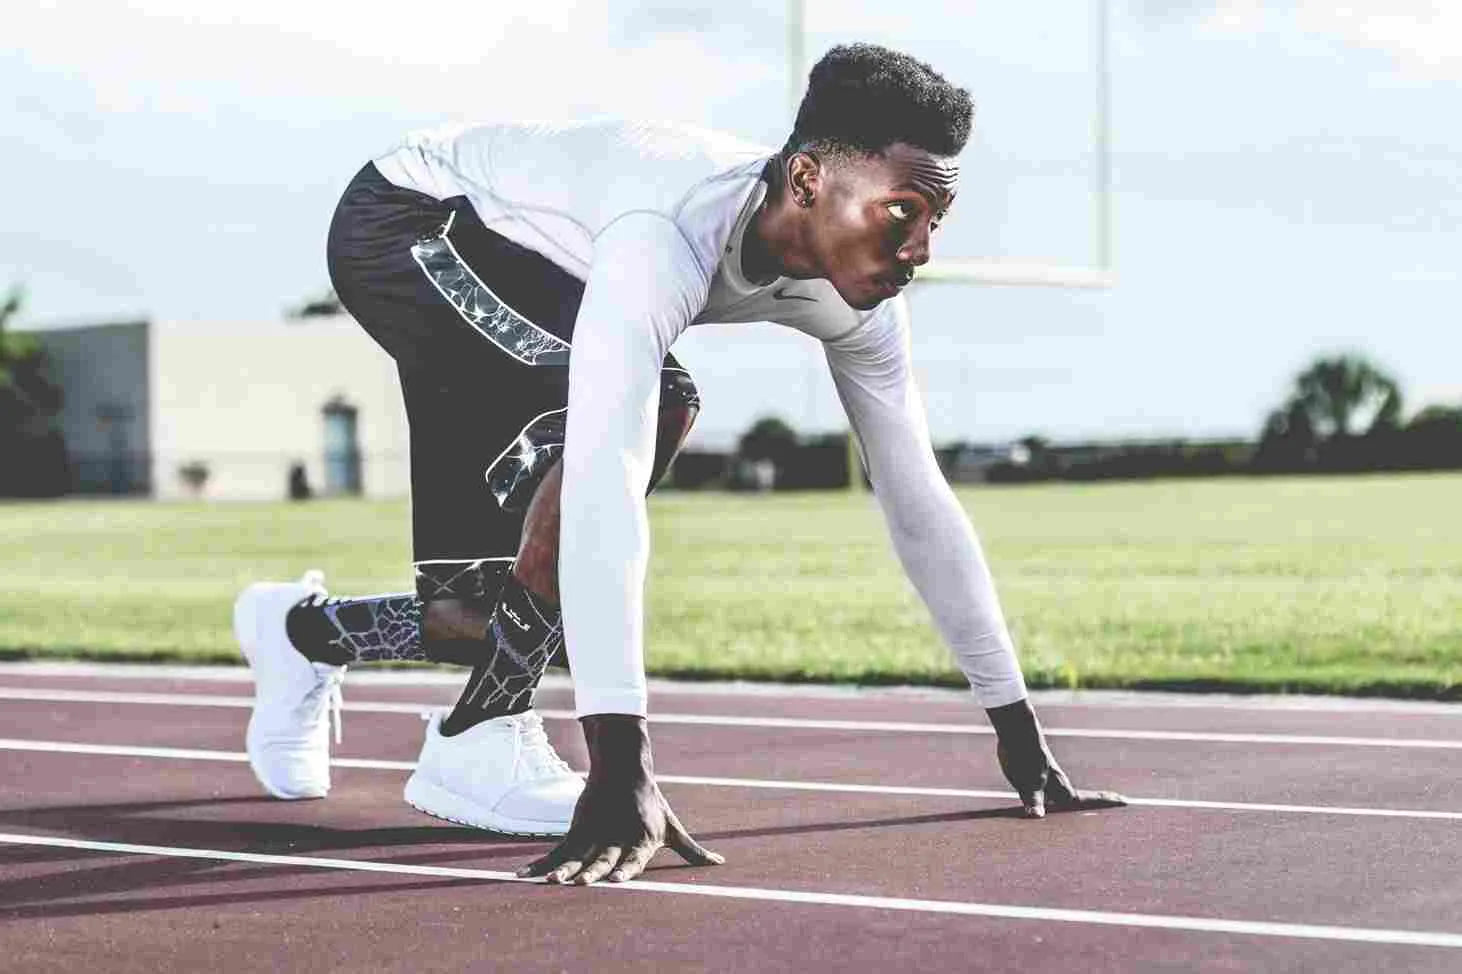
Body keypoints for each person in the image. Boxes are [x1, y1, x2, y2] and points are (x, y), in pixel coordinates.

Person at [232, 42, 1125, 888]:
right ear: (808, 179)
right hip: (409, 222)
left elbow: (917, 497)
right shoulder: (665, 235)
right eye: (903, 211)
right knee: (654, 407)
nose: (923, 249)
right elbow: (608, 478)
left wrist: (1016, 728)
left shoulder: (861, 305)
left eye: (936, 219)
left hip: (535, 263)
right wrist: (621, 766)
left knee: (478, 615)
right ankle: (480, 733)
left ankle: (303, 634)